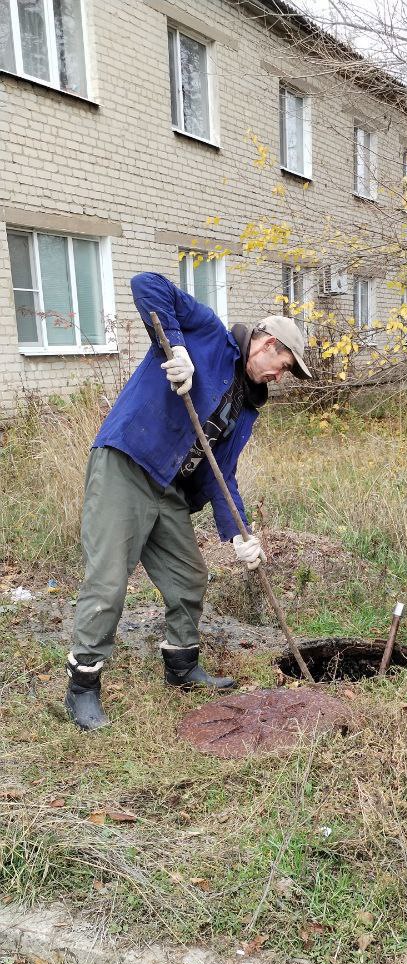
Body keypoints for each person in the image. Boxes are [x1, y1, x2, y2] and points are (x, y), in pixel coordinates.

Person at [65, 271, 312, 730]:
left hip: (169, 490)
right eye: (284, 364)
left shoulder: (246, 406)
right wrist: (175, 347)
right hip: (128, 463)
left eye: (289, 372)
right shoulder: (209, 334)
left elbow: (223, 477)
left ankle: (181, 669)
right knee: (109, 580)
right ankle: (83, 684)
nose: (282, 376)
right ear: (264, 343)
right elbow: (147, 284)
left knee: (189, 577)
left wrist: (241, 535)